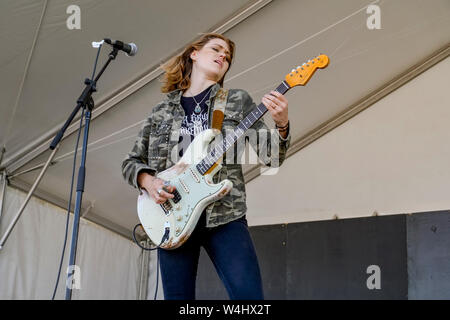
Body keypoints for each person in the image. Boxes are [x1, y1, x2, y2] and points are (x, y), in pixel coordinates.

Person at [121, 33, 291, 300]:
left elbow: (271, 157)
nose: (223, 56)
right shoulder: (160, 112)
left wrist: (281, 124)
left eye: (228, 56)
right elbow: (131, 163)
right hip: (171, 216)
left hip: (225, 216)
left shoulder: (236, 100)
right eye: (216, 49)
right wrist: (149, 182)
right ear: (194, 54)